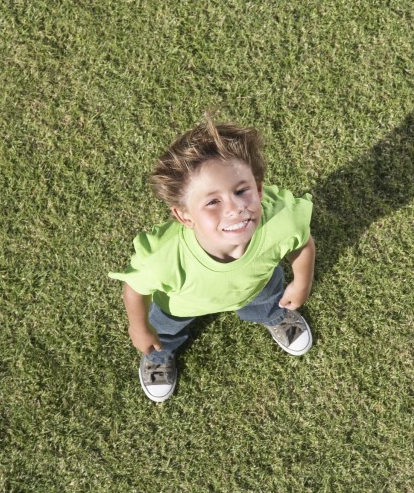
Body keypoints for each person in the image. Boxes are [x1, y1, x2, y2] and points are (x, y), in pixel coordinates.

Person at [108, 117, 315, 402]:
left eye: (241, 191)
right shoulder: (164, 258)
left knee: (268, 302)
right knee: (164, 332)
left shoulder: (281, 221)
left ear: (258, 189)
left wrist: (301, 282)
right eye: (212, 202)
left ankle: (275, 315)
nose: (235, 208)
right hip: (178, 306)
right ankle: (160, 354)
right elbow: (135, 289)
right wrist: (140, 327)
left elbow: (302, 242)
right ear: (185, 215)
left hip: (259, 286)